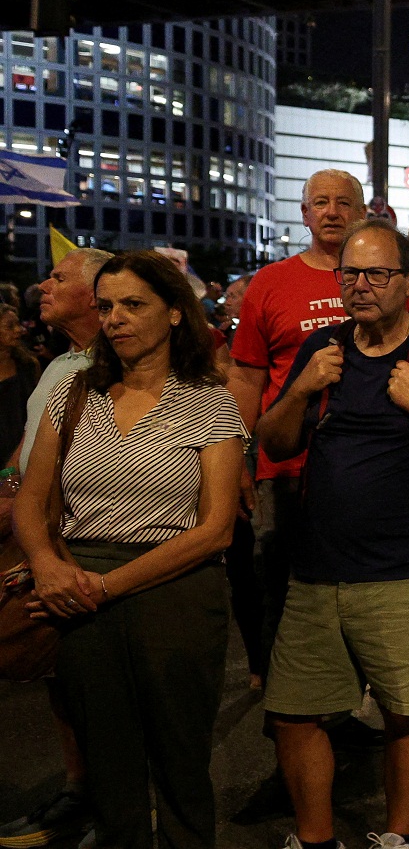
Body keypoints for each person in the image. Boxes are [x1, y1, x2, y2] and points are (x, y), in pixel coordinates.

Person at [256, 220, 409, 849]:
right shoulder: (323, 350)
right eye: (350, 274)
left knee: (404, 714)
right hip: (317, 570)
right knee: (294, 712)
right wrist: (301, 390)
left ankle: (397, 836)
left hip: (406, 571)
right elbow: (276, 440)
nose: (360, 286)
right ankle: (316, 839)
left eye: (376, 274)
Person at [13, 251, 247, 849]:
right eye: (108, 305)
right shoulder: (72, 393)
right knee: (108, 768)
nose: (116, 318)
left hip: (176, 591)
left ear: (174, 313)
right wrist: (46, 566)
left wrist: (105, 587)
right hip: (77, 591)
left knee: (180, 762)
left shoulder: (210, 402)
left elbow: (217, 529)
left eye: (134, 304)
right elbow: (31, 498)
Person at [0, 248, 110, 849]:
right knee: (60, 677)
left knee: (96, 682)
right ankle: (79, 790)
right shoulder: (61, 364)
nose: (43, 286)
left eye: (59, 277)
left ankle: (114, 806)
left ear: (97, 295)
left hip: (85, 543)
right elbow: (26, 448)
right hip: (42, 539)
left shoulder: (117, 366)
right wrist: (8, 490)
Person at [229, 170, 363, 661]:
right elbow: (246, 379)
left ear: (362, 212)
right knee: (286, 589)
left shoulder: (383, 281)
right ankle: (288, 710)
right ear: (305, 214)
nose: (333, 211)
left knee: (355, 593)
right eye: (321, 202)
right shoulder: (270, 283)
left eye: (344, 202)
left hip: (366, 465)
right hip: (287, 469)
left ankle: (342, 702)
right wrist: (240, 461)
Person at [0, 304, 42, 467]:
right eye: (10, 326)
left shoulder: (28, 366)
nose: (19, 330)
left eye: (18, 324)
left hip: (27, 452)